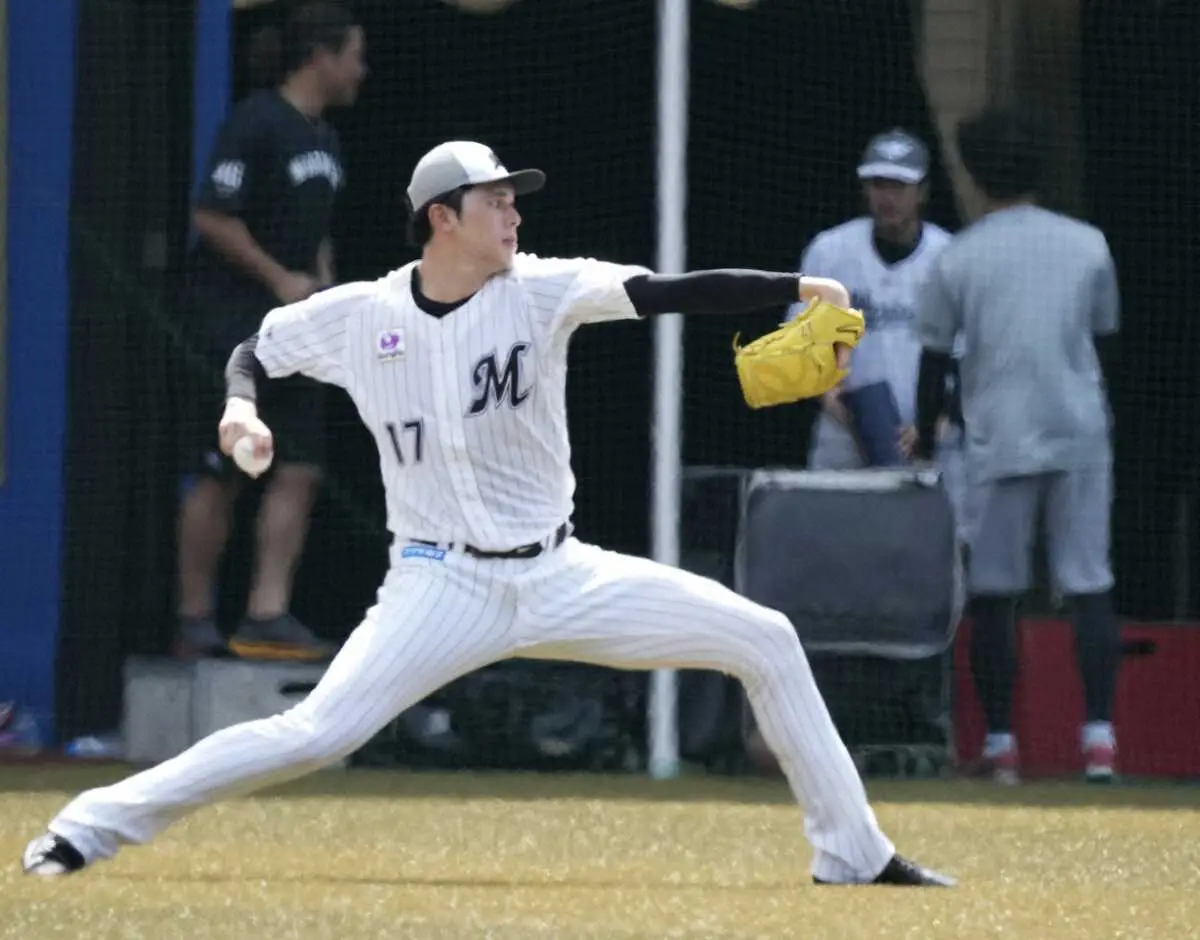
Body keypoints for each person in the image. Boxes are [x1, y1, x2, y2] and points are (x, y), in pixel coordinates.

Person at [23, 141, 954, 887]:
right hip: (438, 580)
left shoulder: (541, 291)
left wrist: (795, 290)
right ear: (442, 217)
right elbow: (254, 349)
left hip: (561, 573)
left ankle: (856, 854)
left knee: (765, 638)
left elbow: (666, 291)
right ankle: (86, 826)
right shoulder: (362, 314)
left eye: (515, 198)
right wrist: (238, 409)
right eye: (496, 199)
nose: (515, 211)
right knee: (316, 735)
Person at [913, 107, 1122, 784]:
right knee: (1089, 583)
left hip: (999, 437)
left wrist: (922, 441)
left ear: (973, 176)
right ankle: (1099, 741)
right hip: (1079, 430)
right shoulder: (1088, 243)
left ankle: (1001, 746)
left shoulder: (959, 255)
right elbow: (1104, 337)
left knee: (995, 590)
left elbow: (934, 361)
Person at [173, 1, 367, 661]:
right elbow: (213, 215)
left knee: (301, 468)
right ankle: (194, 616)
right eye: (354, 55)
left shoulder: (327, 142)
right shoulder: (257, 123)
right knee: (223, 470)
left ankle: (266, 611)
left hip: (299, 336)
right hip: (234, 330)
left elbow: (316, 240)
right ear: (322, 56)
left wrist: (327, 298)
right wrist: (278, 278)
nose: (360, 71)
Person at [792, 129, 966, 538]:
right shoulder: (831, 250)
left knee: (931, 548)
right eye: (878, 184)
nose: (888, 197)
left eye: (899, 186)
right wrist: (844, 412)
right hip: (843, 431)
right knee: (833, 543)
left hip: (931, 438)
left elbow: (971, 358)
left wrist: (931, 426)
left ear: (922, 191)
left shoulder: (951, 257)